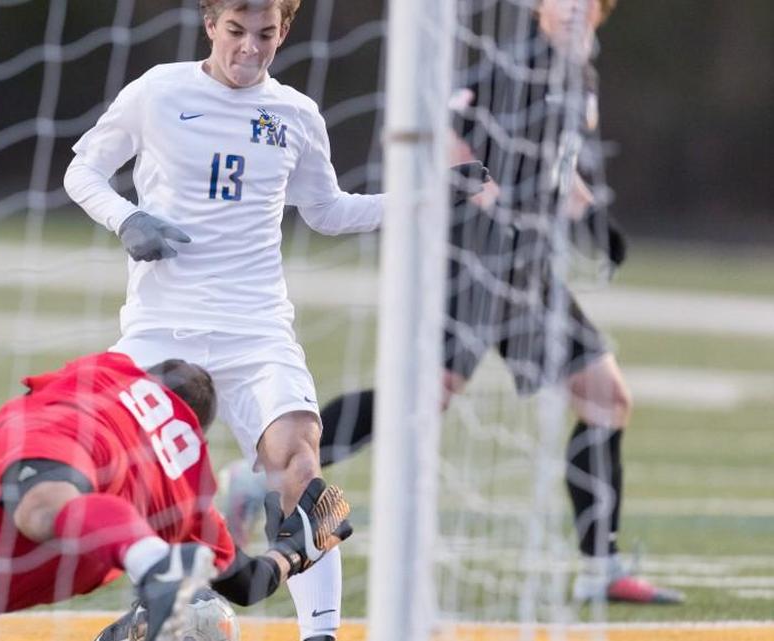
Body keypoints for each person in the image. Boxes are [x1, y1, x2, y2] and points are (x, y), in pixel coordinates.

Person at [245, 0, 685, 606]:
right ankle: (260, 481)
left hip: (529, 276)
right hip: (477, 269)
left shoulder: (578, 74)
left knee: (607, 399)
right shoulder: (516, 64)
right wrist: (489, 205)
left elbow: (554, 169)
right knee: (418, 399)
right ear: (536, 6)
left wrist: (593, 218)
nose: (578, 9)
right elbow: (448, 132)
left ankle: (600, 568)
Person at [63, 1, 384, 639]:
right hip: (162, 325)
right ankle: (156, 615)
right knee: (139, 480)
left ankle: (320, 634)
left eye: (266, 35)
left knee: (299, 466)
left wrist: (423, 199)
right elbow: (83, 171)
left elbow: (328, 210)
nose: (250, 49)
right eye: (236, 32)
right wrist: (126, 219)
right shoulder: (158, 91)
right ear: (211, 25)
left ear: (284, 30)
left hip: (258, 328)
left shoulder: (295, 113)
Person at [0, 352, 353, 641]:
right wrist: (296, 551)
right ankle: (150, 563)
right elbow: (246, 583)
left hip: (69, 463)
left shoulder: (115, 374)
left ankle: (151, 567)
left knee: (43, 505)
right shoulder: (192, 490)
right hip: (89, 547)